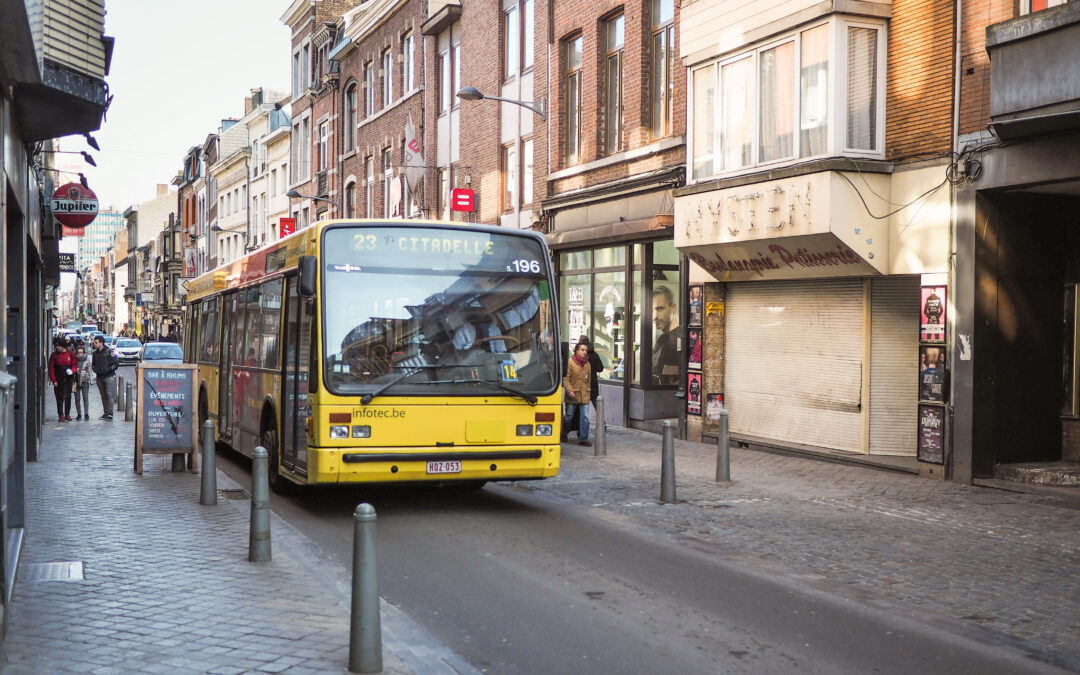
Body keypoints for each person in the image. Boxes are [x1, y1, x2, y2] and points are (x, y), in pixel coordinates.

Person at [562, 341, 592, 446]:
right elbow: (565, 378)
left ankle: (583, 438)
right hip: (573, 394)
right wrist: (569, 390)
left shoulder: (588, 364)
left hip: (584, 395)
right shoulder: (570, 362)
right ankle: (563, 433)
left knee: (584, 417)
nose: (584, 352)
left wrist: (588, 390)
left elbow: (588, 380)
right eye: (582, 350)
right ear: (577, 351)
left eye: (586, 350)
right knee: (569, 416)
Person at [652, 284, 680, 385]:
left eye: (659, 309)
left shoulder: (680, 338)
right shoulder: (662, 338)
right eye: (652, 311)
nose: (654, 316)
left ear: (673, 307)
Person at [48, 339, 76, 422]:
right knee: (59, 397)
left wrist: (72, 371)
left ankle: (67, 414)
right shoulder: (54, 355)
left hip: (68, 378)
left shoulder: (71, 354)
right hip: (58, 377)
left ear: (63, 346)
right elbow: (51, 368)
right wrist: (54, 380)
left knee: (68, 396)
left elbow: (74, 364)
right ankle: (60, 414)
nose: (57, 347)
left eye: (58, 346)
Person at [91, 335, 119, 420]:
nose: (94, 344)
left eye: (96, 342)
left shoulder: (109, 351)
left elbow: (116, 363)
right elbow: (93, 364)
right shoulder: (95, 354)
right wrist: (95, 370)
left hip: (108, 377)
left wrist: (109, 370)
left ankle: (110, 413)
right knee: (103, 396)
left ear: (101, 343)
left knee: (109, 395)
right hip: (99, 377)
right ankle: (106, 412)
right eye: (94, 342)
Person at [73, 342, 94, 420]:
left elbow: (89, 370)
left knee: (85, 397)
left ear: (84, 352)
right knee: (77, 398)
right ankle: (79, 413)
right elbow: (72, 369)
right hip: (76, 381)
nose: (80, 354)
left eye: (81, 352)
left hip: (85, 380)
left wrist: (91, 380)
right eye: (78, 352)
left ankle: (86, 413)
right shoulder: (74, 360)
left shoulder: (87, 359)